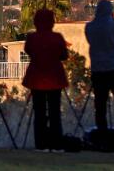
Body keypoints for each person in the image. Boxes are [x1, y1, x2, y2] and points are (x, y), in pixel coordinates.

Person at [84, 0, 114, 150]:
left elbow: (90, 40)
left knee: (100, 106)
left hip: (98, 71)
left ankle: (102, 140)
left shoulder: (90, 27)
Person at [23, 8, 67, 152]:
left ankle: (40, 143)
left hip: (36, 79)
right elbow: (64, 55)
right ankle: (56, 143)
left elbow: (28, 51)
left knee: (39, 113)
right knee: (55, 112)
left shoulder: (32, 38)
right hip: (55, 78)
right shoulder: (58, 37)